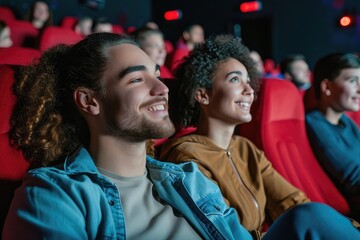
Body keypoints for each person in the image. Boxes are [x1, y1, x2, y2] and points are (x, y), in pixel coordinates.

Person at [3, 33, 359, 240]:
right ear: (89, 100)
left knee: (310, 217)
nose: (162, 88)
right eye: (137, 78)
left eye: (157, 74)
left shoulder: (185, 180)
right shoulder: (52, 193)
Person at [159, 34, 360, 238]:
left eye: (248, 81)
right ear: (202, 95)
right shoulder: (186, 157)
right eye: (235, 80)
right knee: (309, 215)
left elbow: (291, 200)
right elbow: (224, 232)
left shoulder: (245, 148)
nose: (249, 91)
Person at [305, 52, 360, 221]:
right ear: (327, 87)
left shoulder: (345, 120)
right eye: (353, 81)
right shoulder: (315, 123)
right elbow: (353, 177)